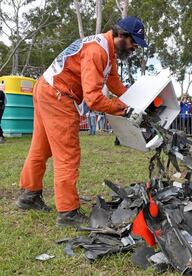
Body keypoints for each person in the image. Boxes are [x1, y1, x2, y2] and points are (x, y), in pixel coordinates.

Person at [16, 16, 147, 227]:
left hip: (46, 88)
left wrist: (136, 101)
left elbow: (114, 82)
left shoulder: (107, 50)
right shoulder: (97, 51)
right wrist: (125, 109)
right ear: (122, 36)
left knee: (40, 148)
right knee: (68, 154)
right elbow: (94, 99)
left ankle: (28, 196)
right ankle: (68, 213)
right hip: (59, 94)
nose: (134, 49)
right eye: (134, 43)